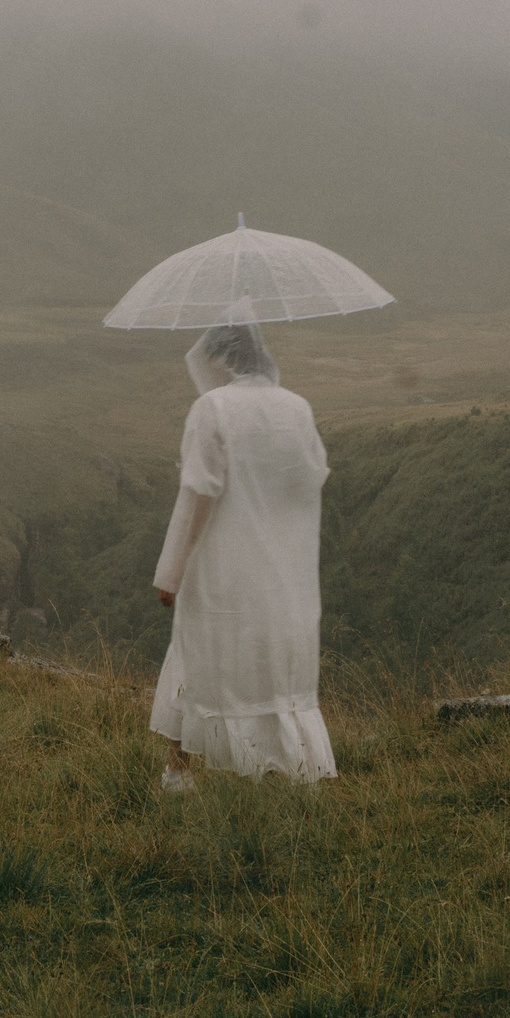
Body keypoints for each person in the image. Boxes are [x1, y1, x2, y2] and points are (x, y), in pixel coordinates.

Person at [149, 318, 335, 791]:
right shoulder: (297, 406)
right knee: (270, 661)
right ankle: (287, 771)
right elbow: (312, 475)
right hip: (282, 568)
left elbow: (199, 494)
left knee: (198, 652)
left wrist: (171, 571)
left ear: (221, 357)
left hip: (222, 562)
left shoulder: (212, 407)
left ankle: (180, 773)